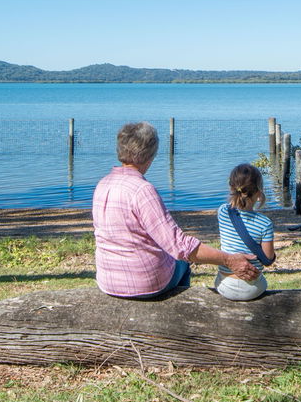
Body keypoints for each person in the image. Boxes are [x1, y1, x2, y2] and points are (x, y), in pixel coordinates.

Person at [92, 121, 259, 299]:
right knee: (182, 263)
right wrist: (229, 259)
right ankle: (180, 311)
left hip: (107, 280)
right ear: (151, 154)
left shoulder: (103, 184)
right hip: (145, 282)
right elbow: (179, 246)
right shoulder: (142, 191)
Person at [213, 162, 275, 301]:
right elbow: (268, 258)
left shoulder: (223, 211)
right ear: (258, 194)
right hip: (252, 289)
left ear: (231, 187)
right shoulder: (265, 224)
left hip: (223, 285)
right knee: (262, 281)